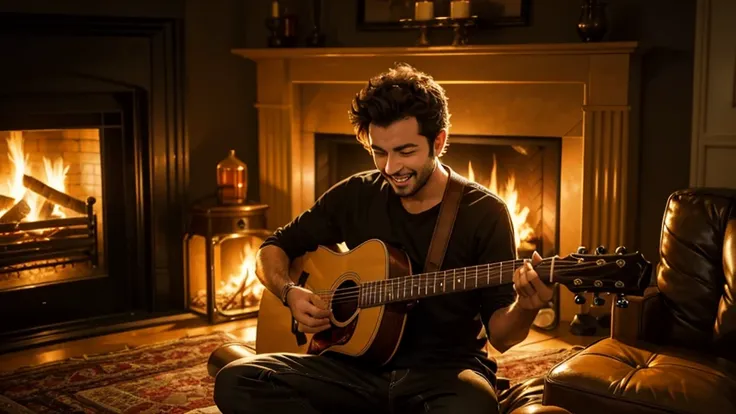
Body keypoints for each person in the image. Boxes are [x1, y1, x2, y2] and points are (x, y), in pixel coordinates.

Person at [213, 63, 554, 414]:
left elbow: (502, 336)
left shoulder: (485, 212)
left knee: (474, 407)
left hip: (443, 375)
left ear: (439, 140)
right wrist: (288, 292)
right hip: (350, 370)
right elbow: (272, 248)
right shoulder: (357, 193)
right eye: (379, 152)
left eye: (406, 151)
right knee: (236, 379)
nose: (391, 168)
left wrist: (527, 307)